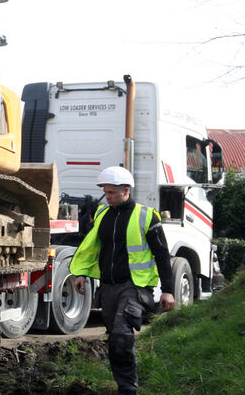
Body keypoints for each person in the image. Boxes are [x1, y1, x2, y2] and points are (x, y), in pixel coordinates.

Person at [69, 166, 176, 395]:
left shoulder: (147, 216)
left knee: (121, 335)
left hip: (136, 287)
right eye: (106, 192)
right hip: (108, 287)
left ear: (126, 190)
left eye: (112, 193)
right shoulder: (101, 214)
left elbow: (162, 254)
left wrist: (167, 290)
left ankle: (128, 390)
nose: (107, 197)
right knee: (115, 339)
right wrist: (82, 273)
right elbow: (92, 247)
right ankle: (122, 385)